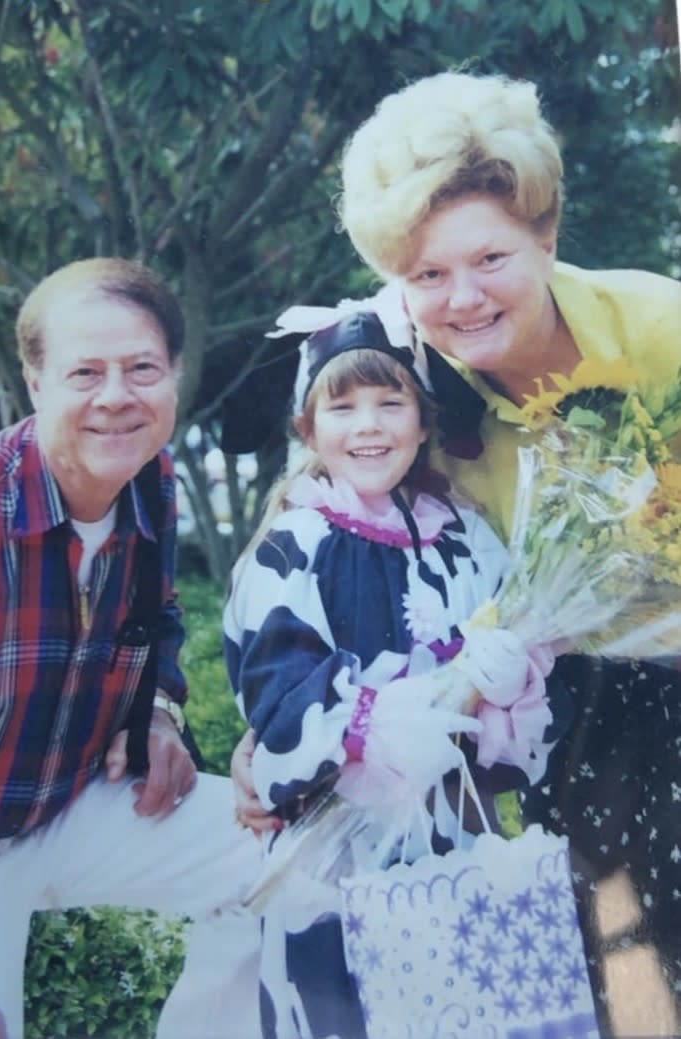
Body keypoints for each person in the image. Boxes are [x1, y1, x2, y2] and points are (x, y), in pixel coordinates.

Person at [231, 70, 681, 1034]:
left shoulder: (660, 333)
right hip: (560, 716)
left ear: (547, 237)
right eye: (427, 274)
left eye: (489, 258)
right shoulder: (404, 392)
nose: (462, 298)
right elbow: (323, 549)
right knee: (609, 986)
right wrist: (290, 728)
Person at [224, 309, 567, 1039]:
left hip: (459, 842)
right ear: (307, 428)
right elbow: (277, 702)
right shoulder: (295, 543)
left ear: (422, 418)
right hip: (332, 861)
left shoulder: (465, 535)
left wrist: (512, 687)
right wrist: (380, 721)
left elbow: (510, 673)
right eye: (341, 406)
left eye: (390, 401)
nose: (368, 425)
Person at [0, 258, 261, 1039]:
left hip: (61, 806)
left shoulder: (151, 483)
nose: (115, 396)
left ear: (173, 376)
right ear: (35, 383)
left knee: (291, 858)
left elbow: (160, 618)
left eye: (141, 368)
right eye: (85, 372)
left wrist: (162, 711)